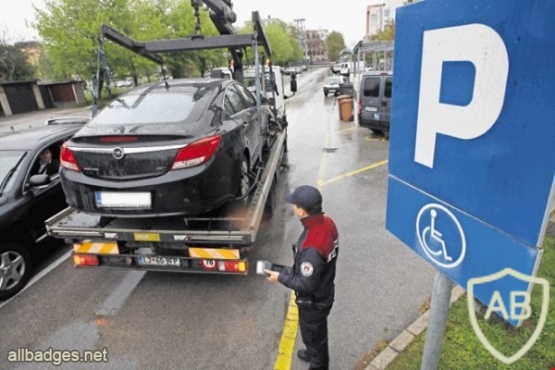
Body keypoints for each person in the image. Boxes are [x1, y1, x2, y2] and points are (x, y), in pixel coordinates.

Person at [265, 185, 339, 370]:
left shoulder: (312, 245)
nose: (292, 207)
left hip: (314, 302)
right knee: (316, 333)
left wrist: (279, 277)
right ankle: (314, 351)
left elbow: (305, 284)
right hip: (324, 290)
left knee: (313, 335)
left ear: (301, 210)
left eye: (295, 204)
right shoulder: (327, 222)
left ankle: (318, 363)